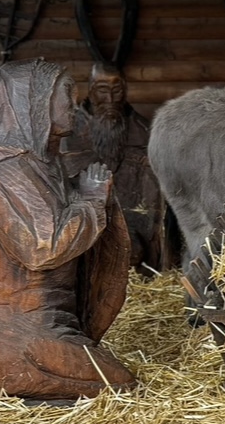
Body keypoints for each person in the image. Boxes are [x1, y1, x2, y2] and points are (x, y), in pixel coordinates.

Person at [0, 59, 135, 400]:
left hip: (46, 328)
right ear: (31, 100)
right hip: (14, 337)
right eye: (66, 95)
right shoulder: (1, 173)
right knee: (121, 384)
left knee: (118, 382)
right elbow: (42, 248)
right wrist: (91, 201)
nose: (75, 106)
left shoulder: (44, 165)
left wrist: (83, 193)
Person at [62, 61, 171, 274]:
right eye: (103, 91)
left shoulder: (144, 132)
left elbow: (155, 205)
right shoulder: (66, 133)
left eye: (117, 90)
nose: (110, 100)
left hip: (133, 227)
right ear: (91, 90)